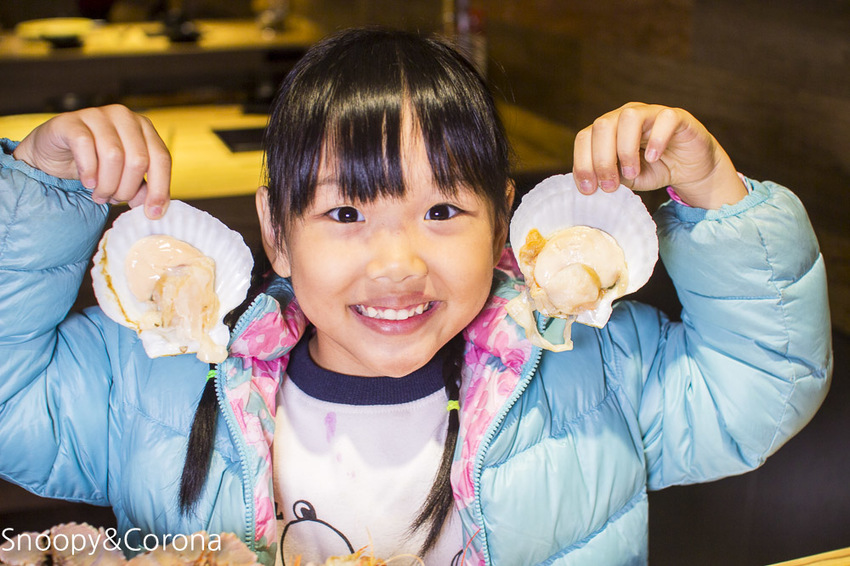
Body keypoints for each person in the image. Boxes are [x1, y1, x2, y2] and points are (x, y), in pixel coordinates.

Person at [0, 27, 832, 566]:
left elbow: (761, 383)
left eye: (441, 211)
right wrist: (39, 191)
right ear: (277, 232)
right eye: (345, 211)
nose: (397, 262)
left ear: (504, 218)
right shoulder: (155, 379)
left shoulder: (589, 364)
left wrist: (714, 195)